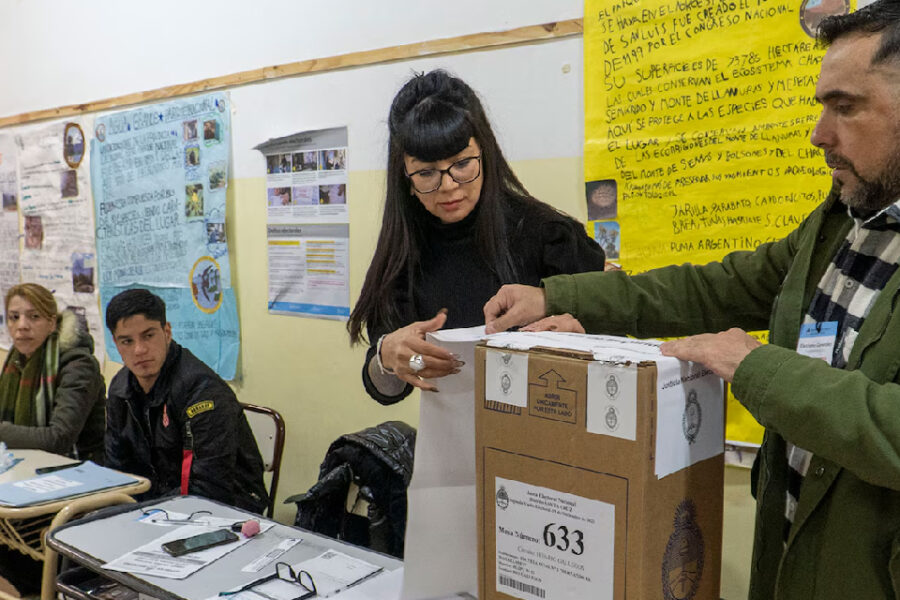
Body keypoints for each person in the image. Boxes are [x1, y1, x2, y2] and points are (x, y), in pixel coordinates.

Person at [484, 2, 900, 597]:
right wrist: (557, 296)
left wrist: (757, 368)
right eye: (821, 106)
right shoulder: (842, 221)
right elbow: (715, 288)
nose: (819, 134)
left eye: (846, 106)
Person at [347, 69, 606, 404]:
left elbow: (619, 351)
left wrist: (586, 338)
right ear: (405, 178)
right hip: (452, 432)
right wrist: (391, 358)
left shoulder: (551, 236)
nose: (448, 185)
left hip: (552, 429)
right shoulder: (404, 255)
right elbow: (389, 391)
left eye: (462, 164)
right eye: (426, 173)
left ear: (485, 153)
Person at [104, 289, 268, 513]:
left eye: (148, 335)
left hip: (226, 507)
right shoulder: (120, 389)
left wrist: (144, 514)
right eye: (127, 341)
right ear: (116, 343)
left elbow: (209, 487)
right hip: (156, 505)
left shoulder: (202, 391)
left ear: (167, 332)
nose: (139, 350)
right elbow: (117, 472)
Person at [0, 283, 105, 461]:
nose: (22, 325)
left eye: (34, 316)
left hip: (79, 466)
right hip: (27, 463)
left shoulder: (78, 364)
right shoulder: (16, 360)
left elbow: (59, 438)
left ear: (52, 323)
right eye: (14, 317)